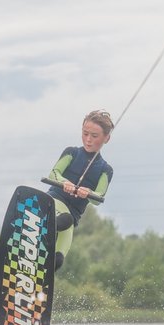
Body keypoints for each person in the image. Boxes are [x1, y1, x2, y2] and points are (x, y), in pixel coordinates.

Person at [47, 109, 114, 271]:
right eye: (85, 134)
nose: (88, 140)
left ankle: (40, 283)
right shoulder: (72, 153)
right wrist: (65, 182)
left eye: (94, 136)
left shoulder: (106, 169)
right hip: (53, 203)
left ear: (107, 138)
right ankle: (42, 227)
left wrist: (88, 193)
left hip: (72, 217)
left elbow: (99, 196)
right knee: (63, 220)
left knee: (57, 260)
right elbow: (53, 173)